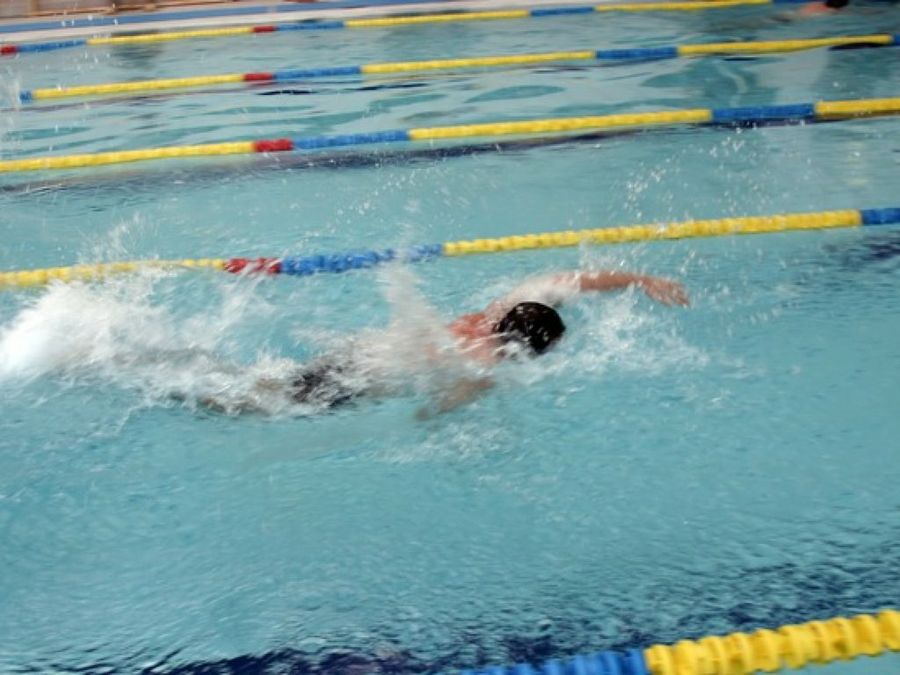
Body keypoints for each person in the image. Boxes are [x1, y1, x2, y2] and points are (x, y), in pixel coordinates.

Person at [284, 269, 689, 416]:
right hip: (356, 382)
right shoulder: (484, 368)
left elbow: (573, 279)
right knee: (253, 404)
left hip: (360, 350)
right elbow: (434, 413)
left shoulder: (498, 311)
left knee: (273, 385)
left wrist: (641, 280)